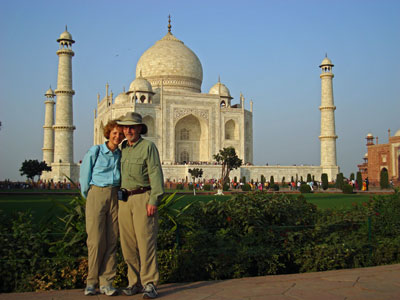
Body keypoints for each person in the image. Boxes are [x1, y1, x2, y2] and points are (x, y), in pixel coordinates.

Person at [117, 112, 164, 299]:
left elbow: (155, 173)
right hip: (124, 200)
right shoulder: (123, 148)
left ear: (139, 128)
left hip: (142, 198)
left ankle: (150, 283)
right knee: (128, 245)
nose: (128, 130)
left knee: (146, 243)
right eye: (125, 127)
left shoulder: (148, 147)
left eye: (132, 127)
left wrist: (154, 200)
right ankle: (133, 282)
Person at [79, 120, 124, 296]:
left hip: (115, 195)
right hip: (96, 194)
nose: (117, 136)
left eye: (120, 134)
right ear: (108, 133)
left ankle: (107, 282)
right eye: (114, 133)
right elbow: (85, 177)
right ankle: (91, 282)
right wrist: (90, 196)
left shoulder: (121, 154)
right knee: (96, 241)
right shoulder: (95, 151)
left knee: (112, 240)